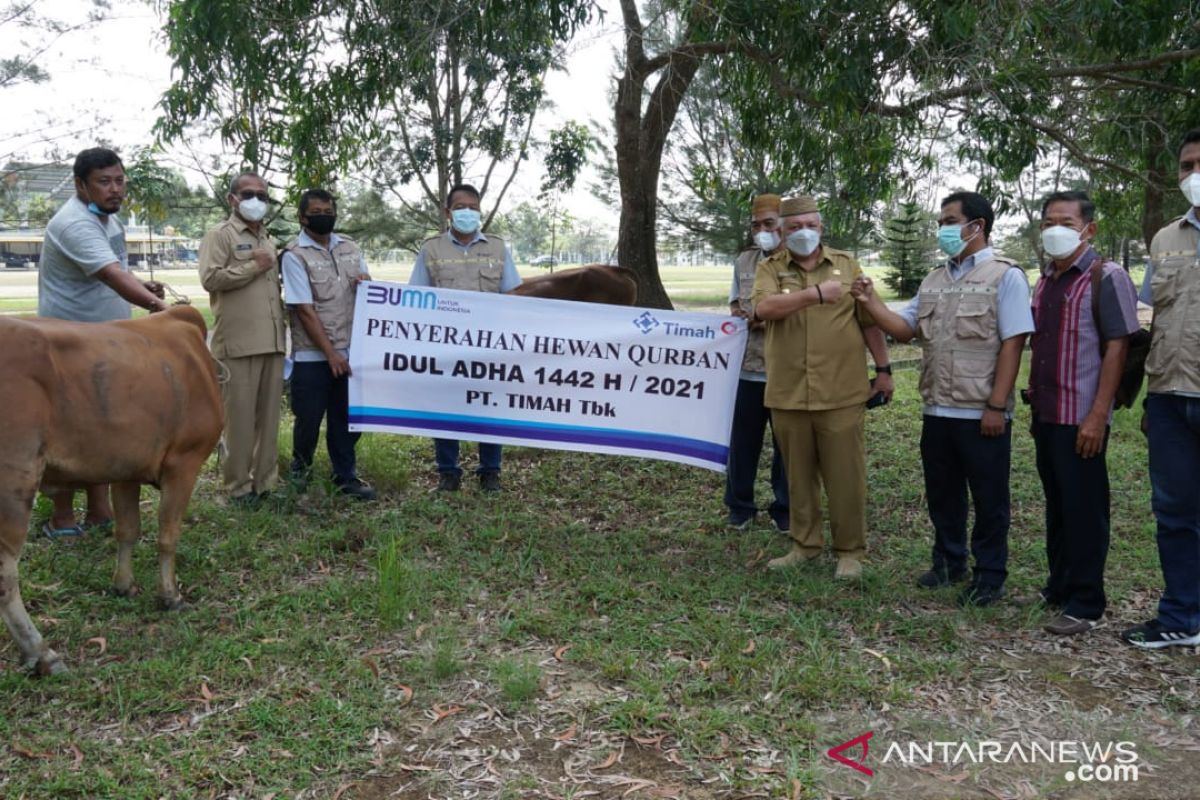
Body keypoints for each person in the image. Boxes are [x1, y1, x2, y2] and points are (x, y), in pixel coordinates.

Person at [852, 191, 1033, 607]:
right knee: (943, 493)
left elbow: (1013, 343)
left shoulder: (1005, 276)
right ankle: (949, 562)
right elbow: (903, 328)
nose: (942, 229)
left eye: (949, 220)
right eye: (940, 222)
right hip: (938, 407)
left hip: (980, 411)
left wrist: (996, 405)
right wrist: (870, 301)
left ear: (977, 226)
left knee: (989, 498)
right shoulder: (936, 279)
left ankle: (990, 575)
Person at [750, 195, 892, 581]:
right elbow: (763, 310)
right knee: (797, 476)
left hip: (841, 391)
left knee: (846, 476)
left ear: (821, 227)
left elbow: (869, 320)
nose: (803, 233)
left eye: (809, 225)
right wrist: (814, 295)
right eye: (793, 227)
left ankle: (850, 551)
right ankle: (805, 545)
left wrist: (883, 369)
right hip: (789, 390)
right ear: (782, 231)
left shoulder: (846, 265)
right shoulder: (770, 268)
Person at [36, 146, 168, 539]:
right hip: (69, 345)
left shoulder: (109, 219)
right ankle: (62, 517)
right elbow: (111, 275)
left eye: (119, 180)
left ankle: (99, 510)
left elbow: (116, 271)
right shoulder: (74, 223)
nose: (115, 190)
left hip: (105, 342)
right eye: (104, 182)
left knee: (102, 424)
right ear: (80, 185)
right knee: (66, 428)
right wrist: (158, 305)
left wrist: (142, 287)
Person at [1026, 191, 1139, 636]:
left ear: (1089, 229)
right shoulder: (1047, 279)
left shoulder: (1105, 277)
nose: (1056, 228)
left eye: (1067, 222)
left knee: (1085, 508)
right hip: (1047, 411)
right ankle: (1059, 585)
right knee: (1057, 503)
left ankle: (1087, 601)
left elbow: (1118, 347)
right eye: (1050, 220)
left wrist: (1098, 416)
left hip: (1082, 416)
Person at [1123, 128, 1200, 649]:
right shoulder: (1165, 239)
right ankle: (1182, 617)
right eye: (1186, 165)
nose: (1193, 174)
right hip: (1170, 398)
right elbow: (1156, 316)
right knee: (1174, 513)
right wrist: (1152, 395)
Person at [408, 183, 521, 493]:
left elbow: (512, 295)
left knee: (489, 407)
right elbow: (417, 298)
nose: (467, 213)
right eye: (460, 207)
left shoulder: (498, 248)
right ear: (448, 212)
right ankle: (448, 472)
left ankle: (490, 472)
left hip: (490, 347)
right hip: (445, 347)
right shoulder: (431, 249)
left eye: (473, 207)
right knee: (445, 407)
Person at [280, 189, 376, 501]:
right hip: (313, 355)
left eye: (329, 210)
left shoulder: (349, 246)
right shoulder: (294, 255)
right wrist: (331, 354)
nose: (324, 215)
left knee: (347, 419)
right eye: (317, 211)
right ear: (302, 217)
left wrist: (366, 284)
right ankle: (300, 472)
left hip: (352, 350)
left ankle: (345, 475)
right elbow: (304, 310)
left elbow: (368, 288)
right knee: (308, 418)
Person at [199, 173, 286, 506]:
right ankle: (237, 487)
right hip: (237, 343)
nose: (256, 200)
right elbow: (210, 278)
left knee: (268, 420)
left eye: (262, 195)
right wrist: (254, 265)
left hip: (273, 340)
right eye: (248, 194)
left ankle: (265, 484)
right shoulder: (219, 236)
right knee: (238, 421)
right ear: (232, 199)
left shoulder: (268, 238)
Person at [725, 193, 789, 532]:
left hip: (787, 370)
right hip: (747, 369)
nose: (762, 231)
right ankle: (739, 506)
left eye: (769, 223)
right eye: (756, 225)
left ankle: (785, 511)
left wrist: (766, 317)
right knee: (743, 442)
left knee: (788, 446)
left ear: (783, 225)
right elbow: (736, 305)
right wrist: (741, 315)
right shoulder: (744, 262)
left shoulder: (800, 261)